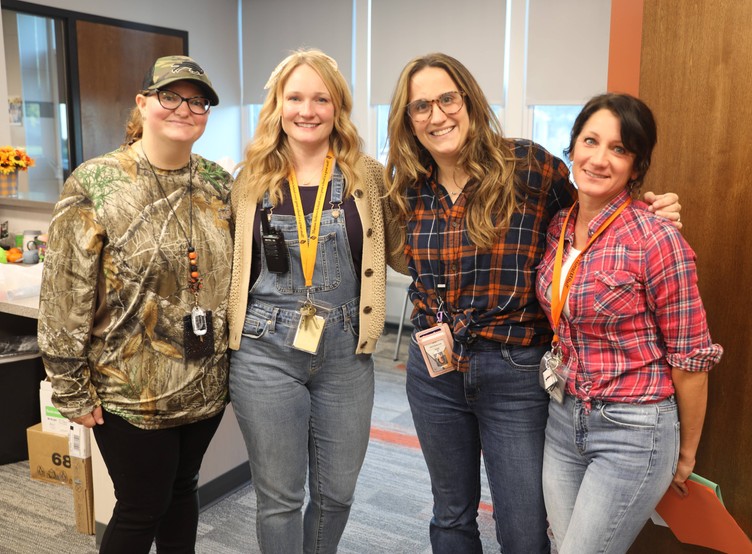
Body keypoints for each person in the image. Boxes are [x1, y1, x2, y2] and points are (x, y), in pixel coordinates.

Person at [384, 52, 682, 554]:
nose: (437, 116)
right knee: (451, 515)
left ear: (470, 102)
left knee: (523, 527)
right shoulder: (407, 189)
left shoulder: (529, 165)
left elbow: (593, 219)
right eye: (420, 107)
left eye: (447, 99)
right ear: (408, 120)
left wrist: (652, 208)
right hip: (434, 372)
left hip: (515, 370)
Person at [37, 55, 233, 553]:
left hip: (205, 386)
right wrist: (71, 389)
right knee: (141, 506)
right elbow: (64, 295)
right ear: (143, 103)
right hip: (130, 394)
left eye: (198, 101)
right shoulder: (97, 183)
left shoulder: (218, 184)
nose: (184, 109)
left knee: (183, 492)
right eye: (170, 96)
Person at [226, 49, 406, 554]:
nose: (307, 110)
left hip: (346, 350)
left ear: (338, 107)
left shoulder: (367, 176)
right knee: (280, 497)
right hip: (264, 349)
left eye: (321, 98)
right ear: (278, 105)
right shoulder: (248, 179)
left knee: (337, 492)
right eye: (296, 97)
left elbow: (408, 255)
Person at [535, 93, 722, 553]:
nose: (599, 159)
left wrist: (686, 454)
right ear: (572, 147)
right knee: (562, 545)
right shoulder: (558, 225)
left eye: (618, 149)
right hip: (563, 418)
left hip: (634, 430)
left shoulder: (657, 239)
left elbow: (691, 358)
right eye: (590, 141)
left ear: (636, 167)